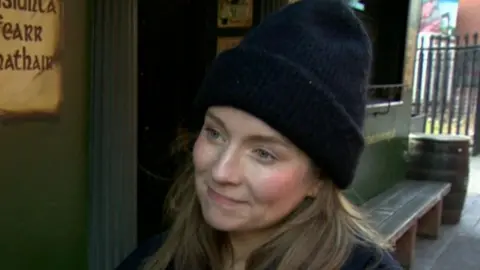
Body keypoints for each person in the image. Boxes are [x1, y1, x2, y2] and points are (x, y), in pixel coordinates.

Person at [117, 0, 403, 269]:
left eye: (264, 153)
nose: (221, 172)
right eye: (215, 133)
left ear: (318, 178)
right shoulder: (156, 258)